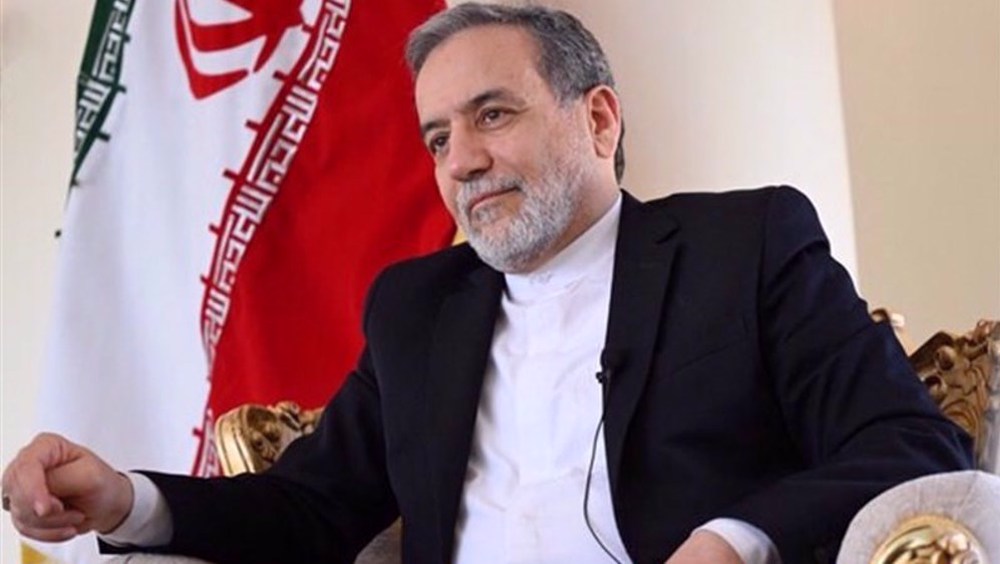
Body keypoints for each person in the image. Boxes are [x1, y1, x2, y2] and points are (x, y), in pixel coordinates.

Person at [2, 3, 971, 563]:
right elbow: (309, 508)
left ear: (597, 121)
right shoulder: (416, 308)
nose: (460, 161)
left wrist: (734, 539)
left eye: (492, 115)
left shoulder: (743, 246)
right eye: (437, 137)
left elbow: (908, 442)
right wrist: (123, 499)